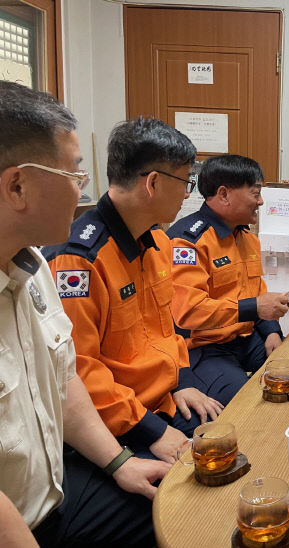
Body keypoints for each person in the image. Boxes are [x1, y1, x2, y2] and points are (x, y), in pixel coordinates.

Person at [0, 81, 169, 547]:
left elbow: (65, 377)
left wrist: (120, 463)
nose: (84, 188)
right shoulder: (75, 256)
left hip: (57, 498)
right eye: (75, 173)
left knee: (185, 508)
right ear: (17, 185)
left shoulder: (32, 269)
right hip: (18, 528)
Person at [43, 117, 223, 464]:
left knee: (235, 435)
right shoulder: (79, 261)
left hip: (164, 400)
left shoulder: (156, 240)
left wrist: (183, 380)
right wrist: (151, 431)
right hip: (119, 425)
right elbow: (78, 371)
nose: (188, 194)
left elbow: (166, 327)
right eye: (186, 182)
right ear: (153, 183)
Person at [167, 155, 287, 404]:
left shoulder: (247, 238)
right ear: (224, 195)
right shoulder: (187, 242)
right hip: (203, 349)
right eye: (255, 193)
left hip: (244, 339)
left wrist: (272, 331)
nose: (261, 201)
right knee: (247, 402)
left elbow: (257, 293)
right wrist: (255, 308)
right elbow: (189, 312)